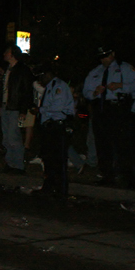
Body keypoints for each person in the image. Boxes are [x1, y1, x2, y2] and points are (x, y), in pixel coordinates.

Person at [83, 46, 135, 187]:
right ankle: (107, 176)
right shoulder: (96, 72)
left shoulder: (125, 68)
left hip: (119, 109)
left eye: (107, 56)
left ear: (113, 54)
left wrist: (121, 86)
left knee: (123, 144)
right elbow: (86, 91)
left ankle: (127, 178)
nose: (104, 59)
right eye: (102, 57)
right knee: (103, 144)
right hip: (102, 109)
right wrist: (95, 92)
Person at [35, 63, 75, 201]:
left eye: (41, 76)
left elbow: (57, 107)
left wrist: (39, 110)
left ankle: (61, 190)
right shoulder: (51, 86)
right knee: (48, 159)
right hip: (49, 127)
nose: (40, 80)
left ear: (48, 74)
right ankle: (49, 186)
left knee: (58, 159)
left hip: (58, 127)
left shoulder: (59, 86)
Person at [0, 45, 34, 174]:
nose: (4, 54)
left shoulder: (22, 70)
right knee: (6, 137)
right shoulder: (7, 70)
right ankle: (10, 163)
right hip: (5, 106)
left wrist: (23, 110)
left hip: (15, 107)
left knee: (13, 136)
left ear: (12, 54)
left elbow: (26, 91)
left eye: (7, 52)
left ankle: (19, 165)